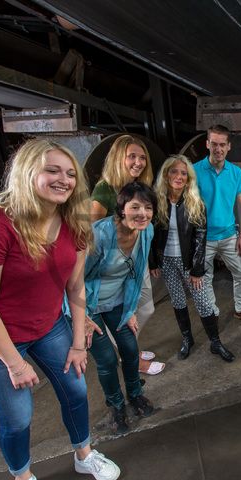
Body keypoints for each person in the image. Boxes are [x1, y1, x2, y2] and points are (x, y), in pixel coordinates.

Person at [0, 139, 120, 480]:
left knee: (76, 391)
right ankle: (23, 479)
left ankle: (84, 454)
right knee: (18, 418)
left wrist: (79, 343)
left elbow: (75, 287)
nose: (63, 179)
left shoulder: (73, 223)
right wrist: (16, 365)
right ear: (26, 172)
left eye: (69, 173)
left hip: (49, 327)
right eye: (52, 170)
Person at [82, 182, 160, 435]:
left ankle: (135, 395)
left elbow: (136, 274)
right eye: (135, 206)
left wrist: (130, 311)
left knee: (129, 347)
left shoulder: (146, 232)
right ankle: (116, 407)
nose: (142, 213)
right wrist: (81, 317)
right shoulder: (100, 234)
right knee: (106, 358)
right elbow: (73, 280)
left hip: (117, 301)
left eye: (148, 208)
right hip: (89, 304)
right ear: (121, 208)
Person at [150, 155, 235, 362]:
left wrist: (197, 270)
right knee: (178, 301)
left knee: (203, 303)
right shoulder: (156, 201)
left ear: (188, 178)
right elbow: (149, 235)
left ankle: (215, 342)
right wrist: (153, 261)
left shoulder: (195, 202)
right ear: (166, 174)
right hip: (167, 261)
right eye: (174, 171)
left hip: (189, 262)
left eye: (183, 173)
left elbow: (200, 238)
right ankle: (188, 339)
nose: (179, 176)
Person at [90, 134, 158, 374]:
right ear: (119, 158)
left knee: (146, 307)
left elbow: (145, 229)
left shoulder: (140, 187)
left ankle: (128, 347)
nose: (138, 162)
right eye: (132, 157)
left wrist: (148, 262)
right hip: (114, 266)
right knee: (125, 311)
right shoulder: (105, 189)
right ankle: (131, 355)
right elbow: (92, 235)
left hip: (135, 260)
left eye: (142, 158)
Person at [193, 124, 241, 326]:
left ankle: (240, 309)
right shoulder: (194, 171)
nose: (218, 149)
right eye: (214, 144)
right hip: (204, 237)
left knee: (240, 274)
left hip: (229, 234)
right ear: (207, 144)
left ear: (229, 146)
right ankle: (213, 311)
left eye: (222, 144)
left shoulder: (236, 172)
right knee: (206, 277)